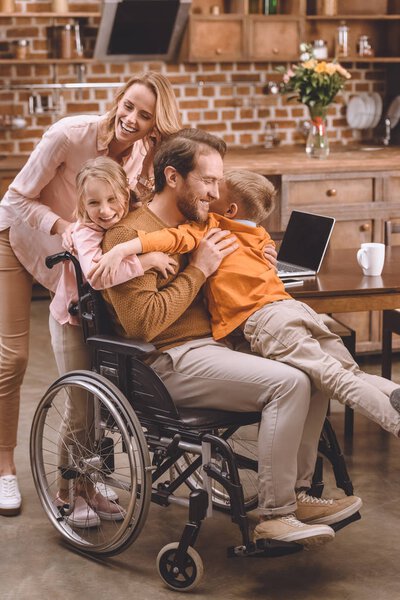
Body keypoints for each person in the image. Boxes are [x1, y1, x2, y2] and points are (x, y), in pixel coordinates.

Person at [101, 128, 362, 547]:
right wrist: (199, 269)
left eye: (219, 181)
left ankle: (296, 495)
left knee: (316, 370)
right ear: (173, 177)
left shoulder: (202, 224)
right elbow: (141, 324)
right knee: (289, 382)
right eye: (208, 180)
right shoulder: (129, 235)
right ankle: (275, 516)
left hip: (217, 347)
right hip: (168, 359)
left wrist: (259, 260)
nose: (216, 191)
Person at [92, 168, 400, 437]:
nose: (208, 195)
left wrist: (126, 248)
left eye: (216, 193)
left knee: (334, 379)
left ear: (228, 210)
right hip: (293, 307)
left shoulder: (210, 227)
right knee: (351, 372)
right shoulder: (262, 235)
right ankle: (393, 393)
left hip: (268, 320)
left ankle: (394, 423)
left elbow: (168, 239)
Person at [0, 71, 181, 516]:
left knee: (94, 391)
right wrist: (68, 229)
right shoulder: (68, 135)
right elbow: (16, 197)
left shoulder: (142, 155)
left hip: (74, 266)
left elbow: (130, 213)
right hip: (20, 237)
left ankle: (85, 484)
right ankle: (4, 467)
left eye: (145, 116)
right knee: (14, 358)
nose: (132, 119)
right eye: (129, 106)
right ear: (118, 100)